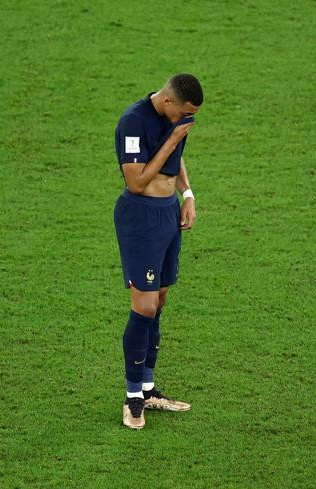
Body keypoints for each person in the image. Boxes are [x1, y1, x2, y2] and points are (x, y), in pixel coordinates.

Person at [113, 73, 203, 429]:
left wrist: (188, 194)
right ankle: (133, 397)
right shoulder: (132, 122)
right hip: (141, 218)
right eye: (184, 112)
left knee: (161, 299)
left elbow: (176, 159)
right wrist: (172, 138)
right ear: (168, 102)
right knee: (145, 305)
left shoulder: (175, 119)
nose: (187, 119)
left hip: (167, 213)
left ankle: (149, 388)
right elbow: (135, 182)